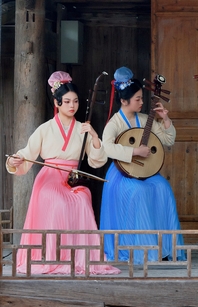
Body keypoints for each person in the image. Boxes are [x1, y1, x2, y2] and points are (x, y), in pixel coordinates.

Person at [5, 71, 120, 275]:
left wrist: (94, 136)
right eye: (66, 102)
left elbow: (96, 160)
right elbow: (27, 153)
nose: (72, 106)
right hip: (49, 178)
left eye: (75, 101)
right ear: (57, 103)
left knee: (83, 199)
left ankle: (79, 257)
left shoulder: (82, 128)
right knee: (57, 201)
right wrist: (15, 160)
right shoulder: (45, 128)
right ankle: (51, 255)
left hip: (71, 179)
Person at [101, 67, 184, 264]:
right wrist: (134, 152)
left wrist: (165, 119)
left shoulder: (146, 120)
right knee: (138, 191)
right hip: (122, 174)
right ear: (124, 101)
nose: (141, 102)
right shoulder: (115, 123)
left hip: (145, 171)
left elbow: (168, 140)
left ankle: (164, 249)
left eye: (141, 98)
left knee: (163, 188)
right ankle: (140, 250)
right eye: (137, 99)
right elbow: (107, 148)